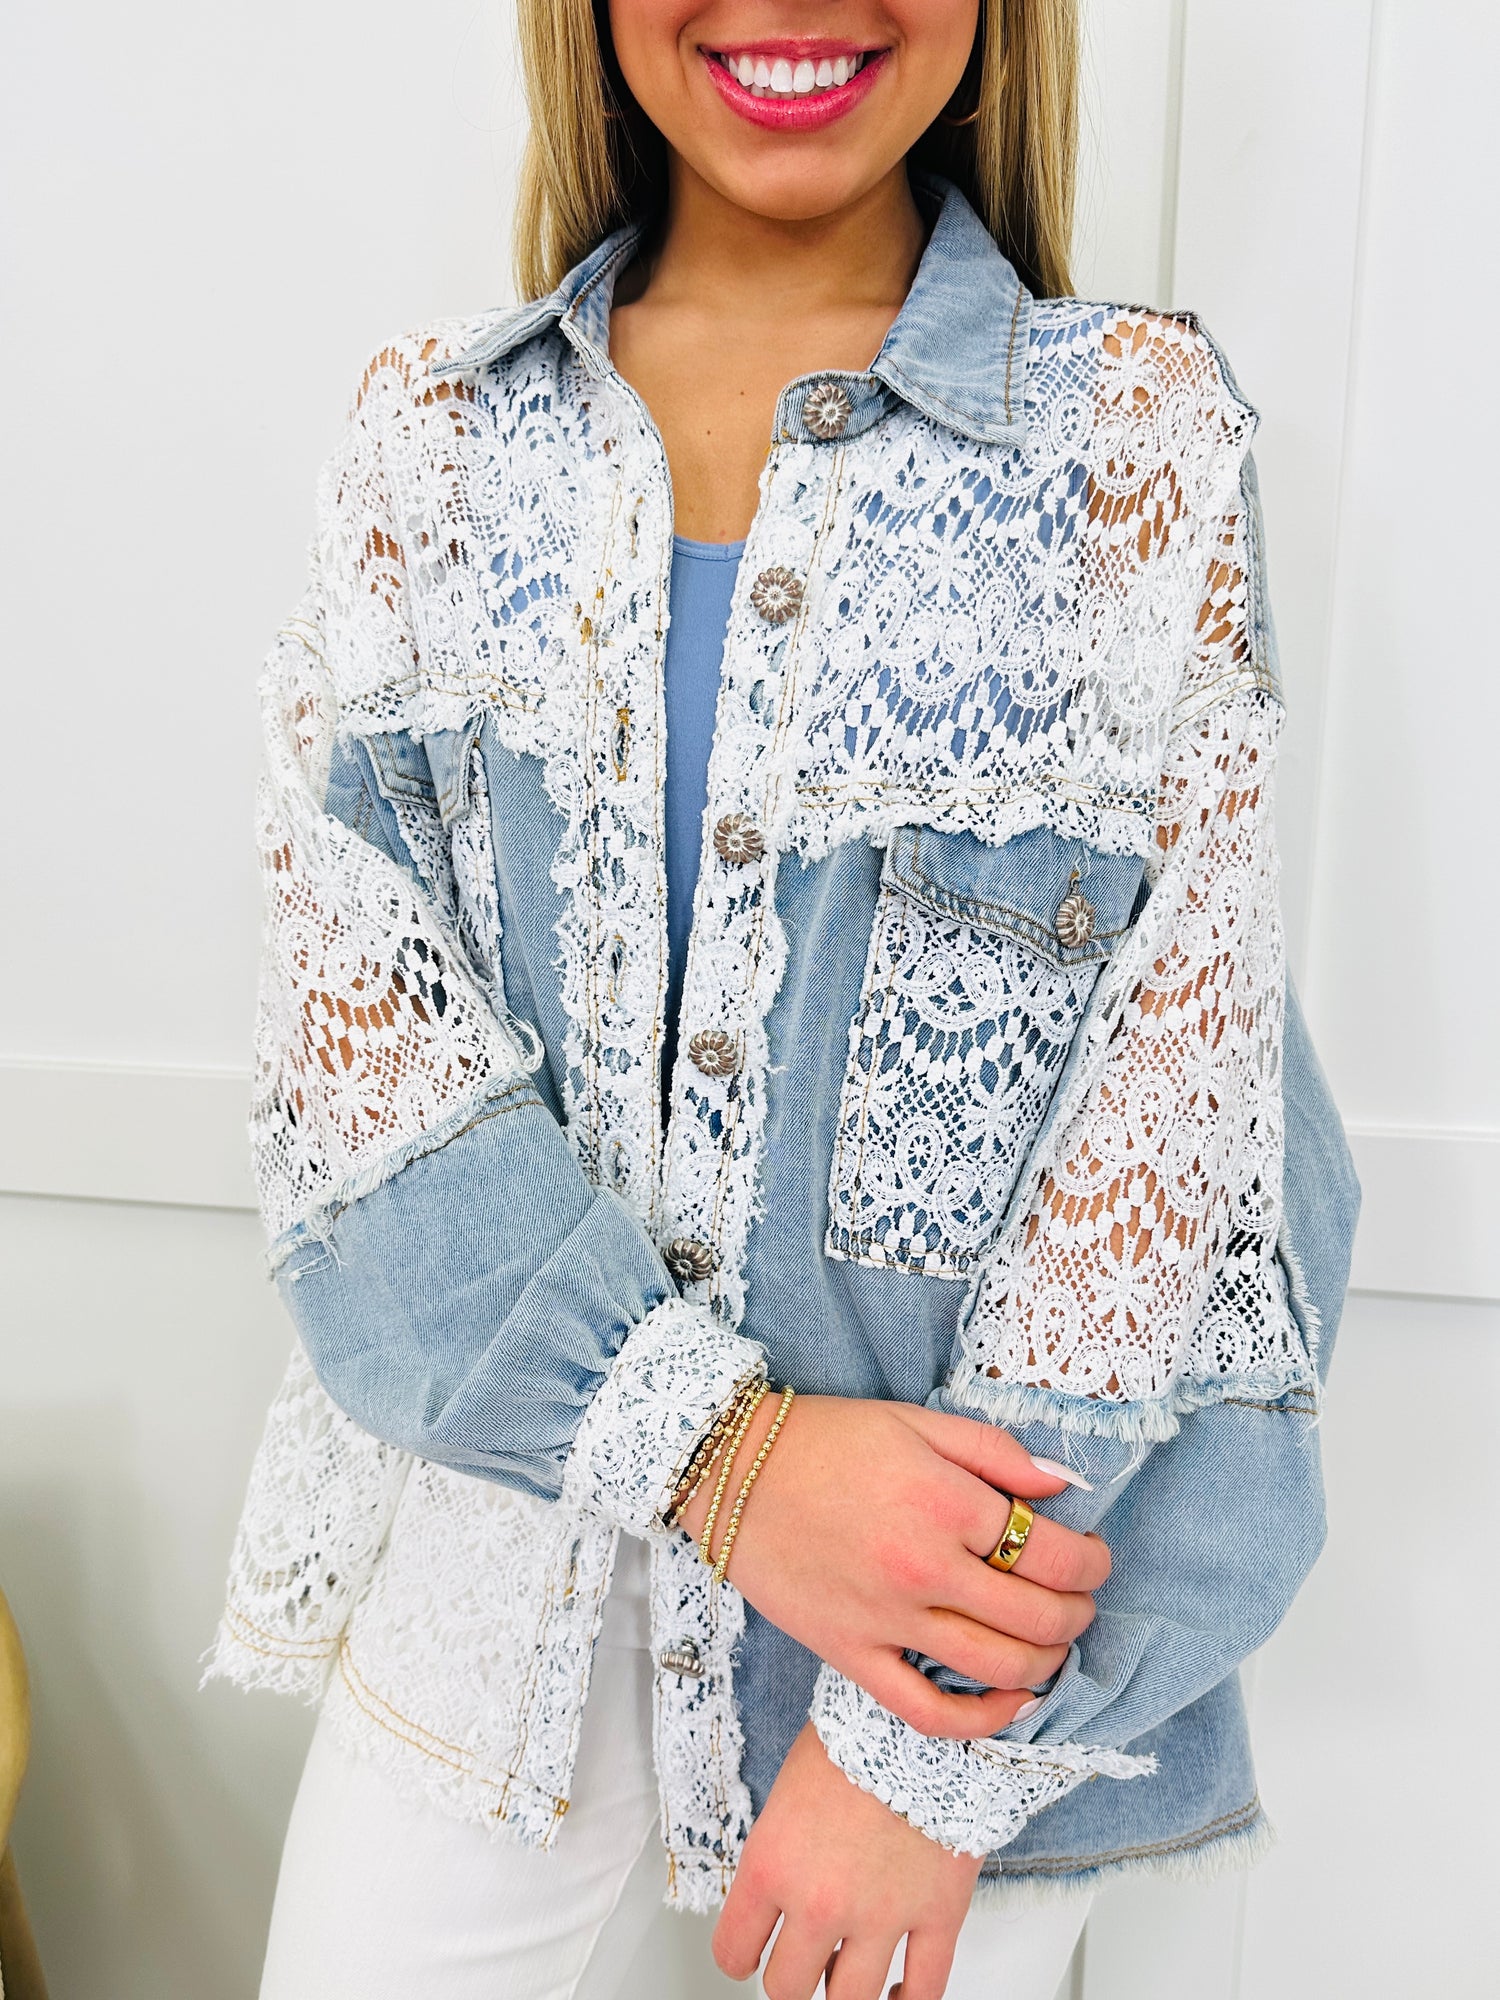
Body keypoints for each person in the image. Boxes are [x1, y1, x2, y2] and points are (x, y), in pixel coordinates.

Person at [208, 4, 1360, 1996]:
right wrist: (724, 1460)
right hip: (492, 1591)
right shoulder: (432, 443)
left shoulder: (1136, 446)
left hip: (948, 1644)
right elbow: (353, 1070)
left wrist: (927, 1739)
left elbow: (1190, 1127)